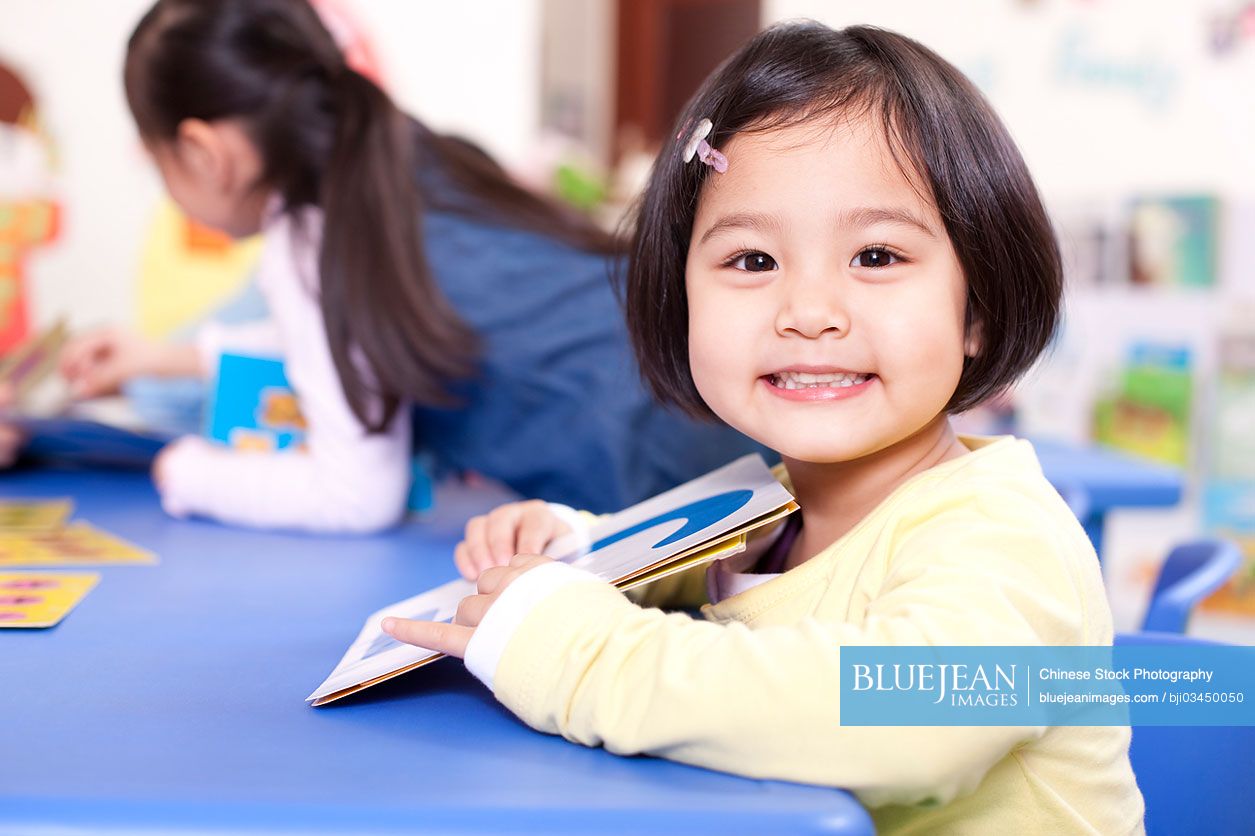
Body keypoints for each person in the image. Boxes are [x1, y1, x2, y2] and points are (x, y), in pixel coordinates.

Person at [382, 22, 1145, 834]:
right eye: (751, 261)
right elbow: (690, 568)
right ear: (682, 305)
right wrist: (577, 547)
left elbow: (908, 723)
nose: (808, 313)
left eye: (877, 256)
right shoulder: (773, 512)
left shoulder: (1001, 533)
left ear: (978, 310)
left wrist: (576, 655)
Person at [59, 0, 758, 533]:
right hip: (735, 420)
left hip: (675, 494)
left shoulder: (312, 246)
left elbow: (357, 495)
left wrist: (181, 471)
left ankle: (872, 710)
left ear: (204, 153)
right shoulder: (407, 158)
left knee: (839, 702)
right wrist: (168, 360)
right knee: (852, 683)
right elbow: (351, 342)